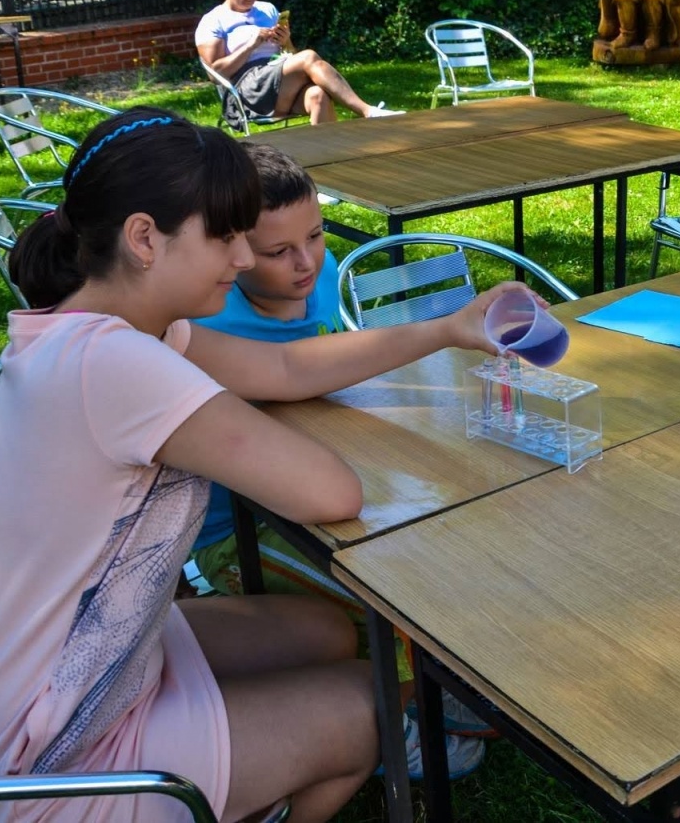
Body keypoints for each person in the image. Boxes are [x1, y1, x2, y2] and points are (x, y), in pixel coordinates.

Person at [0, 111, 530, 821]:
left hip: (53, 671)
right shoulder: (120, 365)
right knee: (367, 704)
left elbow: (286, 366)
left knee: (326, 630)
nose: (242, 260)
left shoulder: (102, 331)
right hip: (31, 766)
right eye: (225, 236)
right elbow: (330, 489)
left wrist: (449, 328)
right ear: (145, 239)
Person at [186, 143, 492, 777]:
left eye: (317, 236)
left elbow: (313, 369)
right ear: (231, 253)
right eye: (278, 253)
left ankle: (438, 686)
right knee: (391, 597)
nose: (307, 264)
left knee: (440, 540)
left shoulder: (316, 277)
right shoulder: (206, 320)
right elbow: (289, 372)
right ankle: (406, 733)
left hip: (311, 471)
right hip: (238, 531)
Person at [195, 0, 403, 129]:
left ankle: (328, 163)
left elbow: (291, 55)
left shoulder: (267, 9)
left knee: (318, 95)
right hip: (247, 89)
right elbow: (216, 74)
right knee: (310, 56)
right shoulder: (214, 20)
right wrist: (251, 44)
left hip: (278, 81)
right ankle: (367, 111)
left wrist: (285, 42)